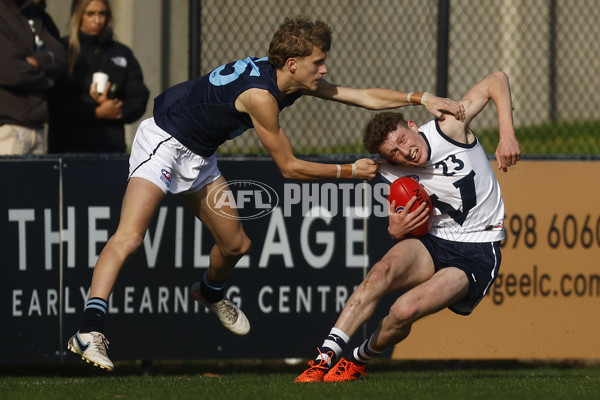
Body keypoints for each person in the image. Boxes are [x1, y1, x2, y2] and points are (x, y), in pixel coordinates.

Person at [66, 16, 466, 371]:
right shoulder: (262, 97)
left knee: (236, 246)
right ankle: (89, 328)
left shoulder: (288, 78)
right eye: (318, 62)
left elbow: (360, 96)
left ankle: (209, 292)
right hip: (165, 140)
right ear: (293, 63)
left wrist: (421, 98)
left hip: (199, 153)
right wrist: (350, 171)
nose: (324, 69)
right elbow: (290, 168)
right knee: (131, 236)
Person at [294, 71, 521, 382]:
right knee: (378, 274)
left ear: (412, 126)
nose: (405, 152)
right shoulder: (387, 169)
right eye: (394, 153)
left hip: (476, 252)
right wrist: (394, 230)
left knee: (403, 310)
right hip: (433, 241)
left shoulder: (448, 128)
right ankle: (323, 358)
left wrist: (507, 134)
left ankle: (358, 360)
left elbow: (497, 80)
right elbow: (305, 173)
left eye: (402, 140)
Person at [47, 0, 149, 153]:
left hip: (111, 148)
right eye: (90, 14)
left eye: (102, 13)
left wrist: (115, 108)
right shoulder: (64, 50)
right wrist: (95, 112)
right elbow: (54, 102)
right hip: (69, 148)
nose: (97, 20)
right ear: (79, 15)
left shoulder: (121, 53)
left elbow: (138, 96)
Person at [0, 0, 66, 155]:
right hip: (8, 129)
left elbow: (60, 57)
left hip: (37, 129)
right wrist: (48, 80)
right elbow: (13, 72)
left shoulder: (34, 16)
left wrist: (38, 61)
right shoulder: (3, 15)